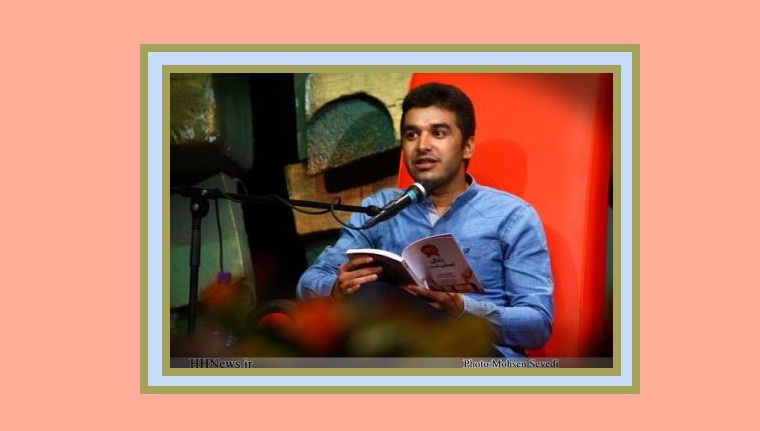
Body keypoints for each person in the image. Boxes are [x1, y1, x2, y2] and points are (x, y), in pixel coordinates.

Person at [297, 82, 553, 357]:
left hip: (479, 356)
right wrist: (336, 289)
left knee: (375, 301)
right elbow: (309, 282)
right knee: (364, 303)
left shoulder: (512, 216)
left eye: (438, 133)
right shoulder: (379, 209)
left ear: (467, 146)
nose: (422, 145)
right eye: (411, 135)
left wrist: (462, 308)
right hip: (400, 349)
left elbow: (538, 325)